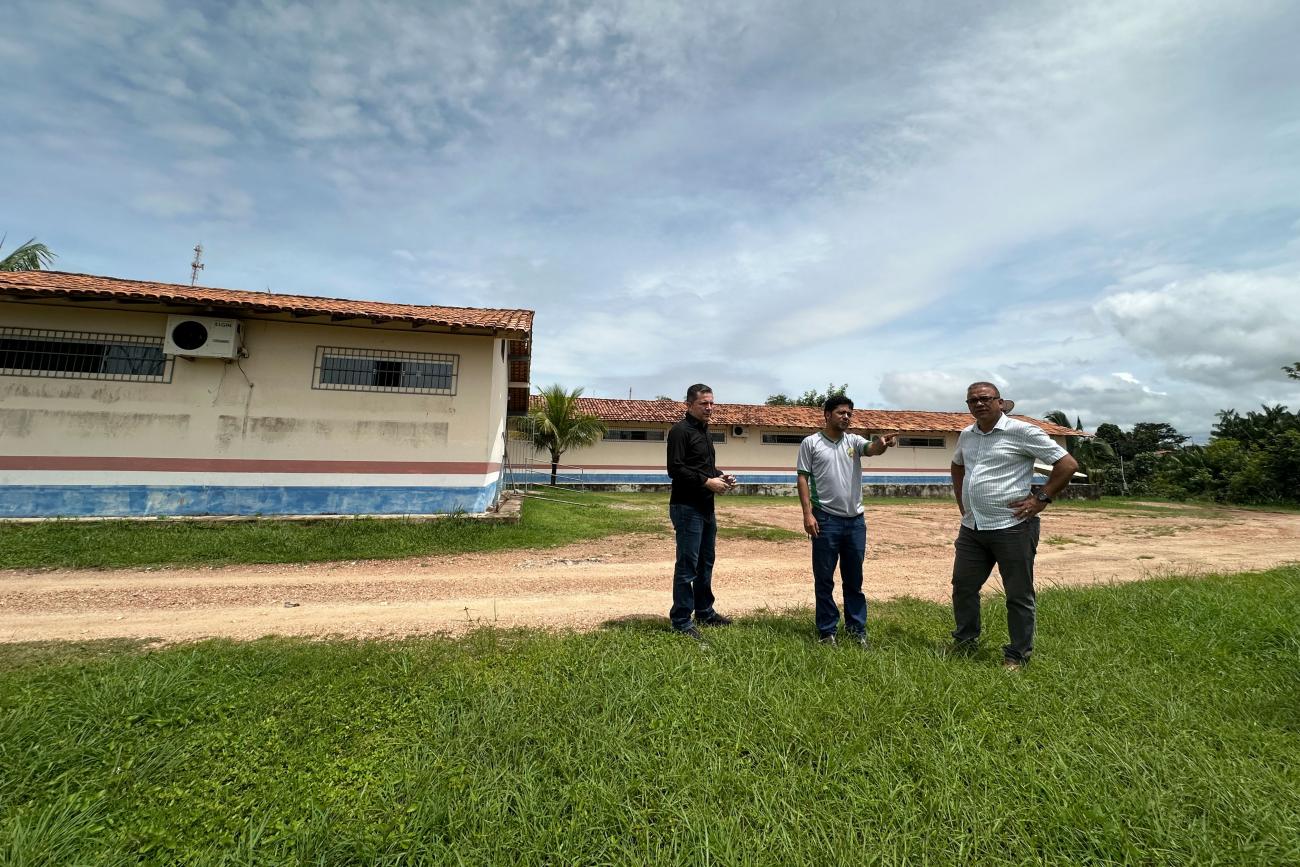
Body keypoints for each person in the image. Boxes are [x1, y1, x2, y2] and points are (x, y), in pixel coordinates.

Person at [950, 381, 1079, 670]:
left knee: (1018, 593)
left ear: (1000, 401)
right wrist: (962, 502)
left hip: (1012, 526)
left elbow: (1067, 464)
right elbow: (957, 465)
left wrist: (1041, 498)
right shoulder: (966, 435)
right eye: (973, 401)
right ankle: (965, 640)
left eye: (985, 398)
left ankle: (1017, 655)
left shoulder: (1022, 431)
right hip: (972, 528)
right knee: (963, 587)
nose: (979, 404)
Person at [796, 395, 899, 647]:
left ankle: (856, 630)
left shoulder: (853, 440)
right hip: (825, 519)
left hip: (855, 522)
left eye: (849, 413)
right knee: (824, 578)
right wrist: (807, 514)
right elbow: (802, 479)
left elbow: (872, 449)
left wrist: (882, 443)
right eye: (841, 412)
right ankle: (827, 631)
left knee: (854, 579)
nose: (846, 417)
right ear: (827, 415)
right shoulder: (811, 443)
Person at [666, 383, 736, 640]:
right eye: (703, 403)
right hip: (686, 507)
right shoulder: (679, 432)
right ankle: (681, 620)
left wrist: (721, 476)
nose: (709, 408)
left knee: (706, 562)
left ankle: (704, 611)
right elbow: (675, 469)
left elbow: (704, 468)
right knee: (688, 565)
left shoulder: (706, 433)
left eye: (711, 403)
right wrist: (707, 482)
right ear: (689, 405)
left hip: (706, 507)